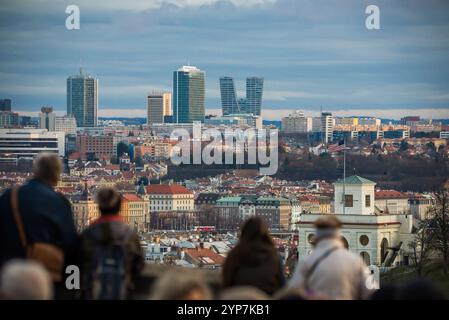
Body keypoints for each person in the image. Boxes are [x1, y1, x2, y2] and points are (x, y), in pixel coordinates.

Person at [0, 153, 79, 297]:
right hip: (46, 278)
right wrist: (72, 286)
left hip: (10, 274)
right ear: (57, 175)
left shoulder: (10, 196)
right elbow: (71, 246)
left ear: (35, 171)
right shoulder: (59, 202)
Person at [79, 187, 144, 300]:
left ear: (99, 207)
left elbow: (78, 263)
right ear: (119, 207)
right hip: (122, 291)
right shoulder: (130, 234)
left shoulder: (88, 233)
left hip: (93, 292)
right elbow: (139, 265)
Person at [289, 216, 370, 300]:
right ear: (338, 235)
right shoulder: (356, 261)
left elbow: (295, 291)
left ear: (317, 235)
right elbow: (370, 291)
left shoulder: (306, 262)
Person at [222, 217, 285, 295]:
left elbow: (226, 281)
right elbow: (282, 286)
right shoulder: (273, 256)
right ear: (265, 234)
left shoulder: (234, 254)